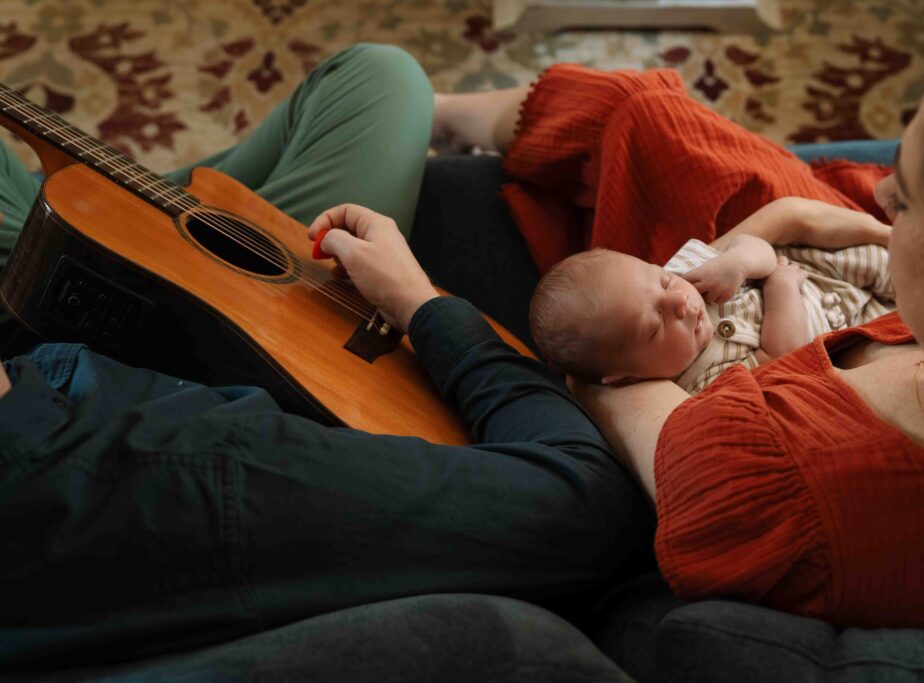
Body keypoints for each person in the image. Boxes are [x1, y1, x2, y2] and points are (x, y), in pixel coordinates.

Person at [0, 46, 654, 669]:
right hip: (136, 371)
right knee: (387, 86)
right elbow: (583, 507)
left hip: (47, 367)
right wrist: (418, 302)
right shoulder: (180, 471)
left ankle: (97, 200)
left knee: (379, 73)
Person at [433, 18, 924, 628]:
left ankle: (444, 119)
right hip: (804, 272)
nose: (882, 196)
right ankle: (448, 115)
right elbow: (795, 226)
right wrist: (738, 258)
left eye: (908, 200)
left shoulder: (772, 486)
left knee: (640, 124)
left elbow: (589, 374)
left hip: (726, 313)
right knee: (654, 122)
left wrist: (414, 299)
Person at [529, 197, 893, 390]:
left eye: (662, 281)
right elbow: (787, 357)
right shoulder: (704, 385)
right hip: (847, 326)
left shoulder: (689, 270)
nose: (680, 302)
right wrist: (781, 290)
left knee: (891, 262)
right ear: (626, 377)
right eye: (655, 325)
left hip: (818, 272)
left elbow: (762, 248)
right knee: (904, 324)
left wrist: (736, 262)